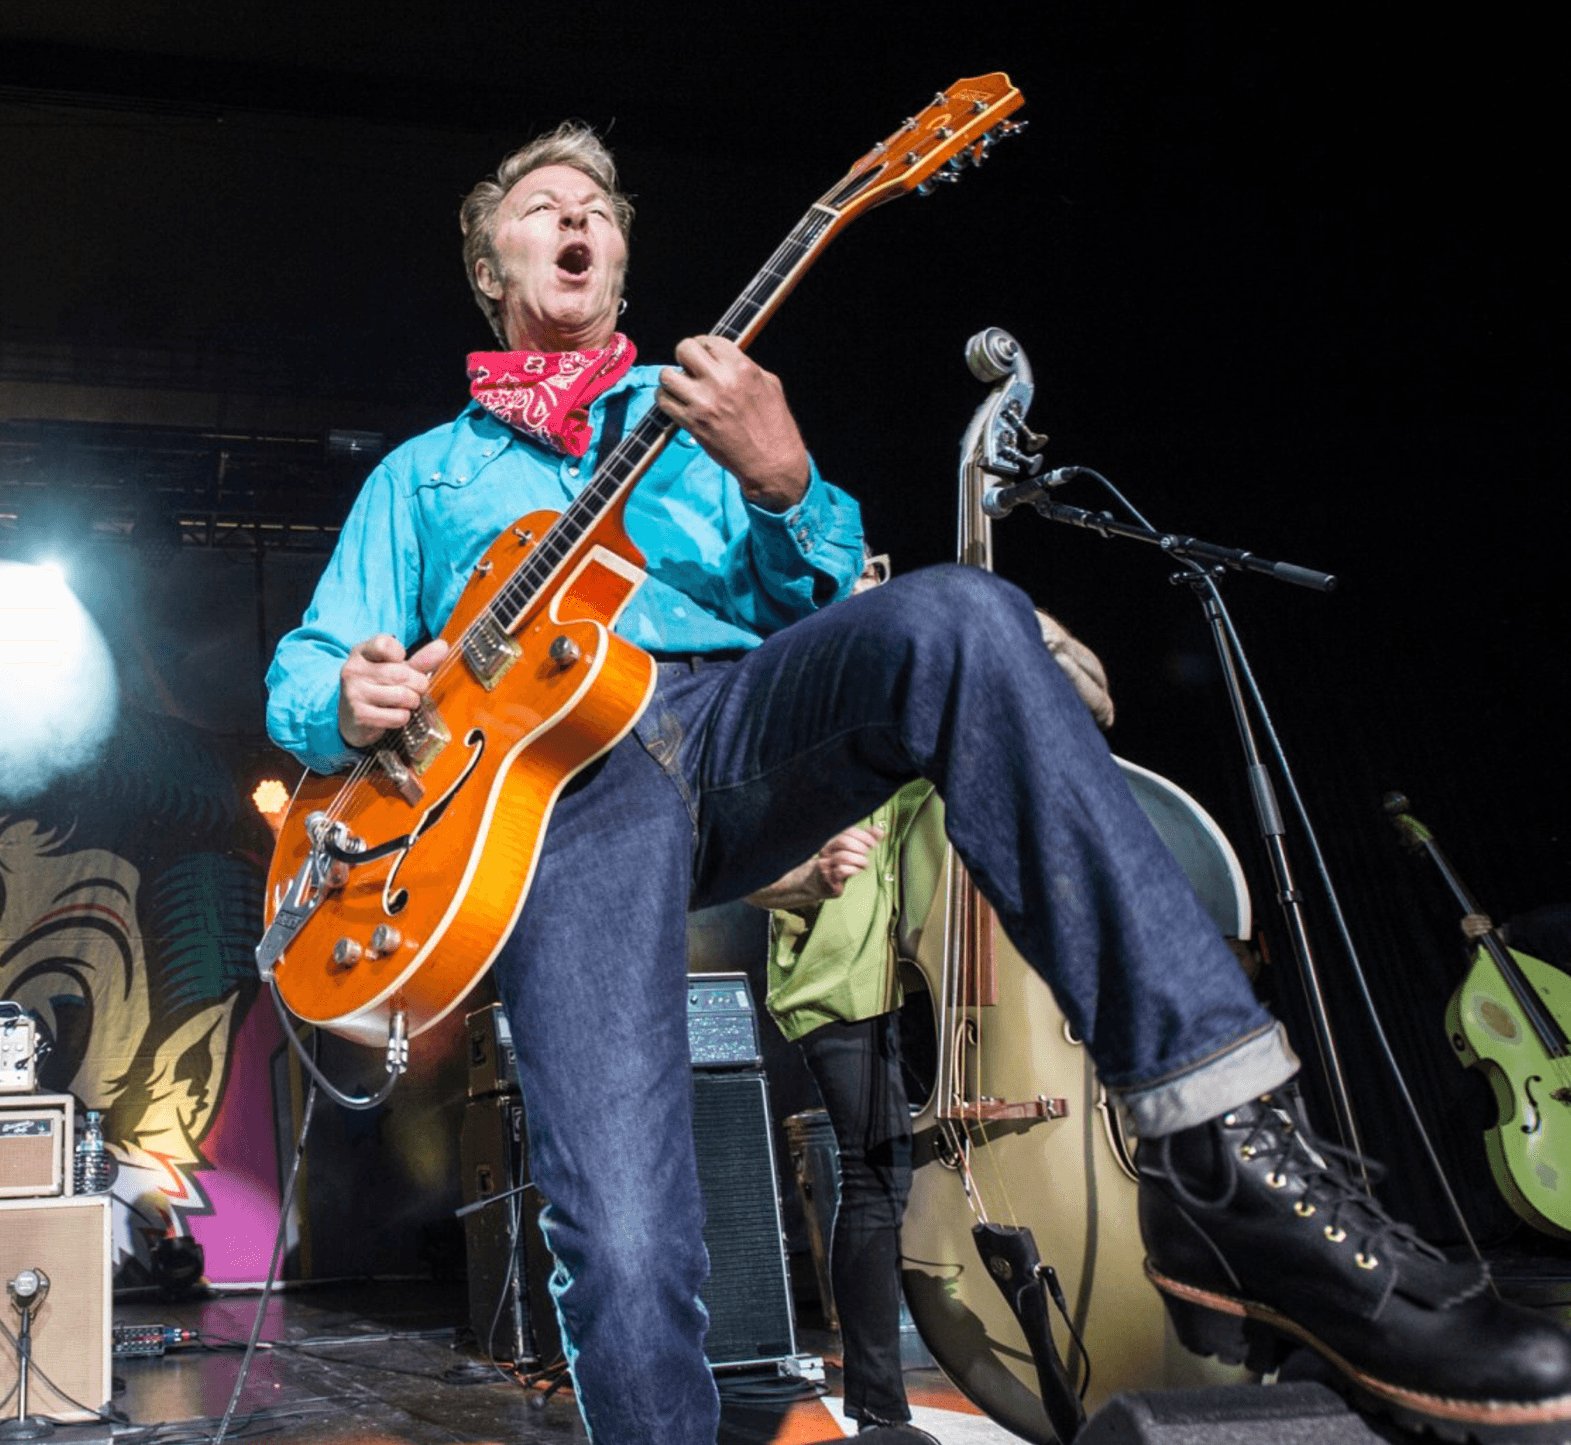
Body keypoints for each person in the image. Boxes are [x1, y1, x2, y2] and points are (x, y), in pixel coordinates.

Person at [264, 124, 1571, 1445]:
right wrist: (346, 697)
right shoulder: (420, 479)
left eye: (598, 205)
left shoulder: (698, 408)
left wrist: (786, 483)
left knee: (958, 618)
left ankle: (1225, 1159)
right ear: (491, 265)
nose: (578, 217)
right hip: (561, 799)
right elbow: (305, 668)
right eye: (545, 204)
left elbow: (826, 601)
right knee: (628, 1240)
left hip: (728, 722)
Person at [744, 568, 1114, 1437]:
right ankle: (880, 1407)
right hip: (838, 973)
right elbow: (743, 870)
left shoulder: (919, 711)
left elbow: (1095, 705)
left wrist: (1011, 622)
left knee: (895, 1171)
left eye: (880, 579)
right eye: (854, 583)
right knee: (875, 1173)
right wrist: (808, 875)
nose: (871, 590)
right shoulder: (794, 712)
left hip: (941, 972)